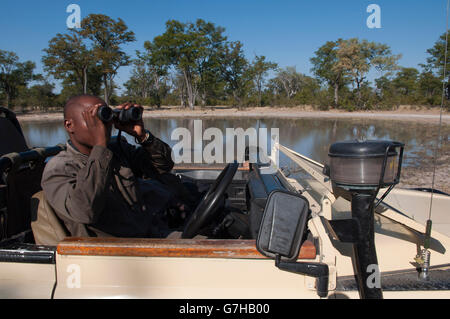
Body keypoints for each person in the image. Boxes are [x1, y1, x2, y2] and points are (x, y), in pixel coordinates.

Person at [41, 95, 195, 238]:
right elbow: (86, 210)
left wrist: (143, 137)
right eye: (93, 119)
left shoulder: (117, 150)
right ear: (69, 125)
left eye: (105, 117)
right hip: (117, 252)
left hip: (151, 232)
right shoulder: (59, 169)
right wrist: (99, 145)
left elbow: (163, 167)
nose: (104, 125)